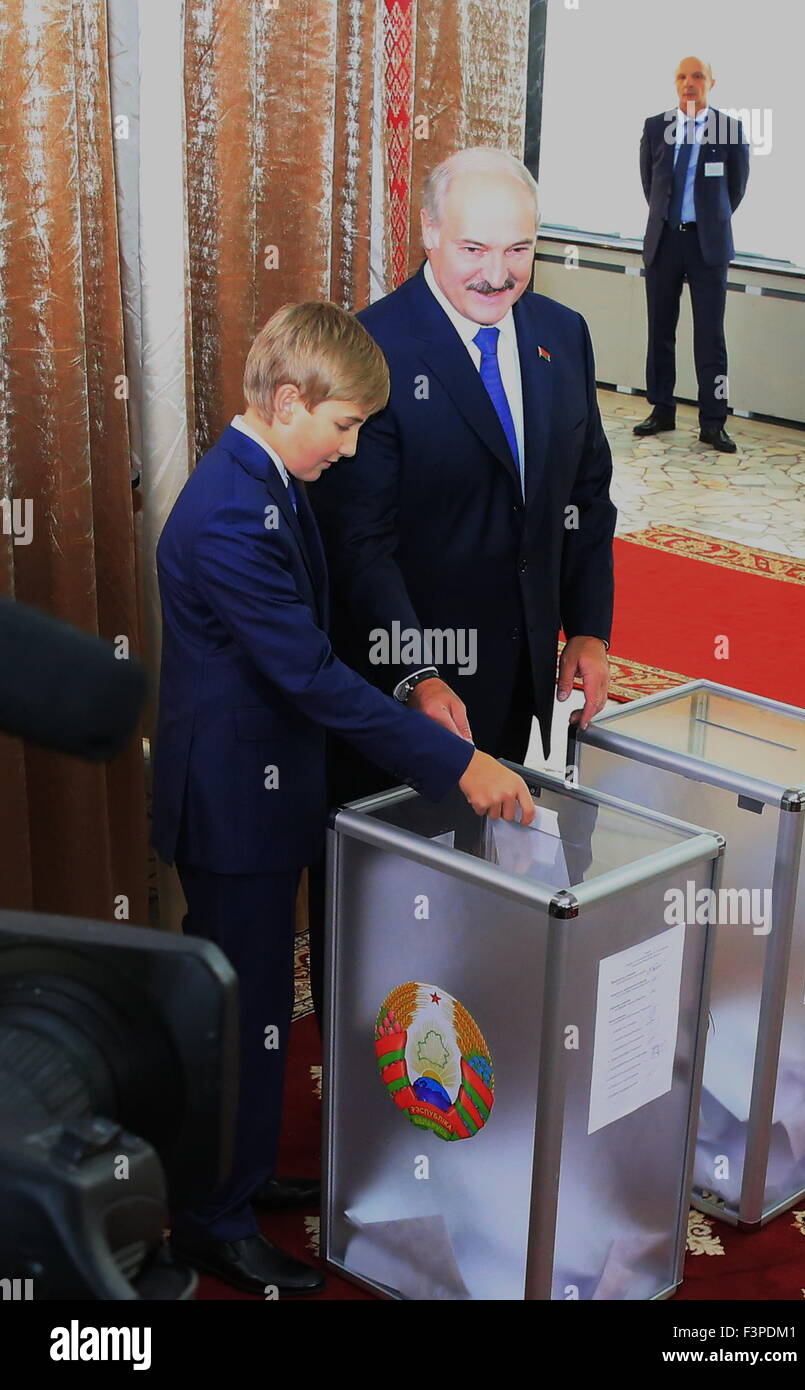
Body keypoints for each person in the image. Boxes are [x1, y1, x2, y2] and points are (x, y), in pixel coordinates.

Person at [151, 302, 533, 1297]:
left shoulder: (265, 475)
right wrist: (459, 765)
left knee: (265, 1007)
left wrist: (413, 684)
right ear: (287, 402)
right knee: (246, 1015)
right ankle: (208, 1221)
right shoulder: (236, 511)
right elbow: (312, 677)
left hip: (264, 783)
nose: (352, 447)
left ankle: (234, 1176)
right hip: (233, 803)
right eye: (346, 425)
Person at [308, 148, 616, 1014]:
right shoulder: (372, 346)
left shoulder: (563, 332)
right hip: (408, 691)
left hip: (513, 677)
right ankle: (362, 1097)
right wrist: (415, 673)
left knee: (479, 893)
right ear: (431, 236)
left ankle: (469, 1065)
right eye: (475, 249)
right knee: (386, 903)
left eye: (517, 250)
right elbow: (360, 547)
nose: (497, 274)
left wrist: (587, 627)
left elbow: (585, 496)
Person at [635, 56, 750, 452]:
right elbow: (650, 184)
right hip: (665, 241)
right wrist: (671, 220)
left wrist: (707, 221)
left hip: (707, 245)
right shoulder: (656, 126)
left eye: (697, 76)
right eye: (682, 76)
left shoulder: (730, 130)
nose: (689, 83)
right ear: (675, 83)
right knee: (660, 329)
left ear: (711, 83)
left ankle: (713, 421)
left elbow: (735, 189)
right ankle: (661, 409)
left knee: (710, 336)